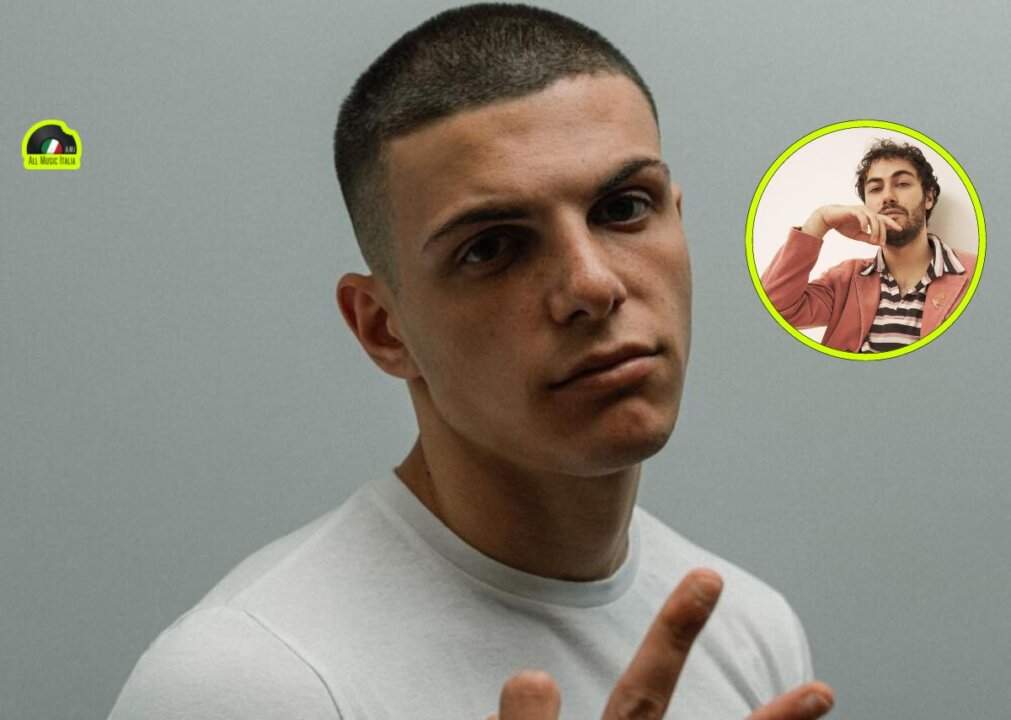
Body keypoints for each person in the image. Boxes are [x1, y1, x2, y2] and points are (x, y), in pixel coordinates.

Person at [107, 5, 835, 718]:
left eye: (622, 209)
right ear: (383, 329)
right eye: (490, 247)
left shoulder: (748, 629)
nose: (591, 286)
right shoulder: (245, 682)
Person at [761, 139, 977, 353]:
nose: (888, 197)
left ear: (928, 197)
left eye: (902, 184)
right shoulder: (845, 280)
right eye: (875, 188)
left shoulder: (976, 273)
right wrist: (819, 222)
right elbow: (773, 312)